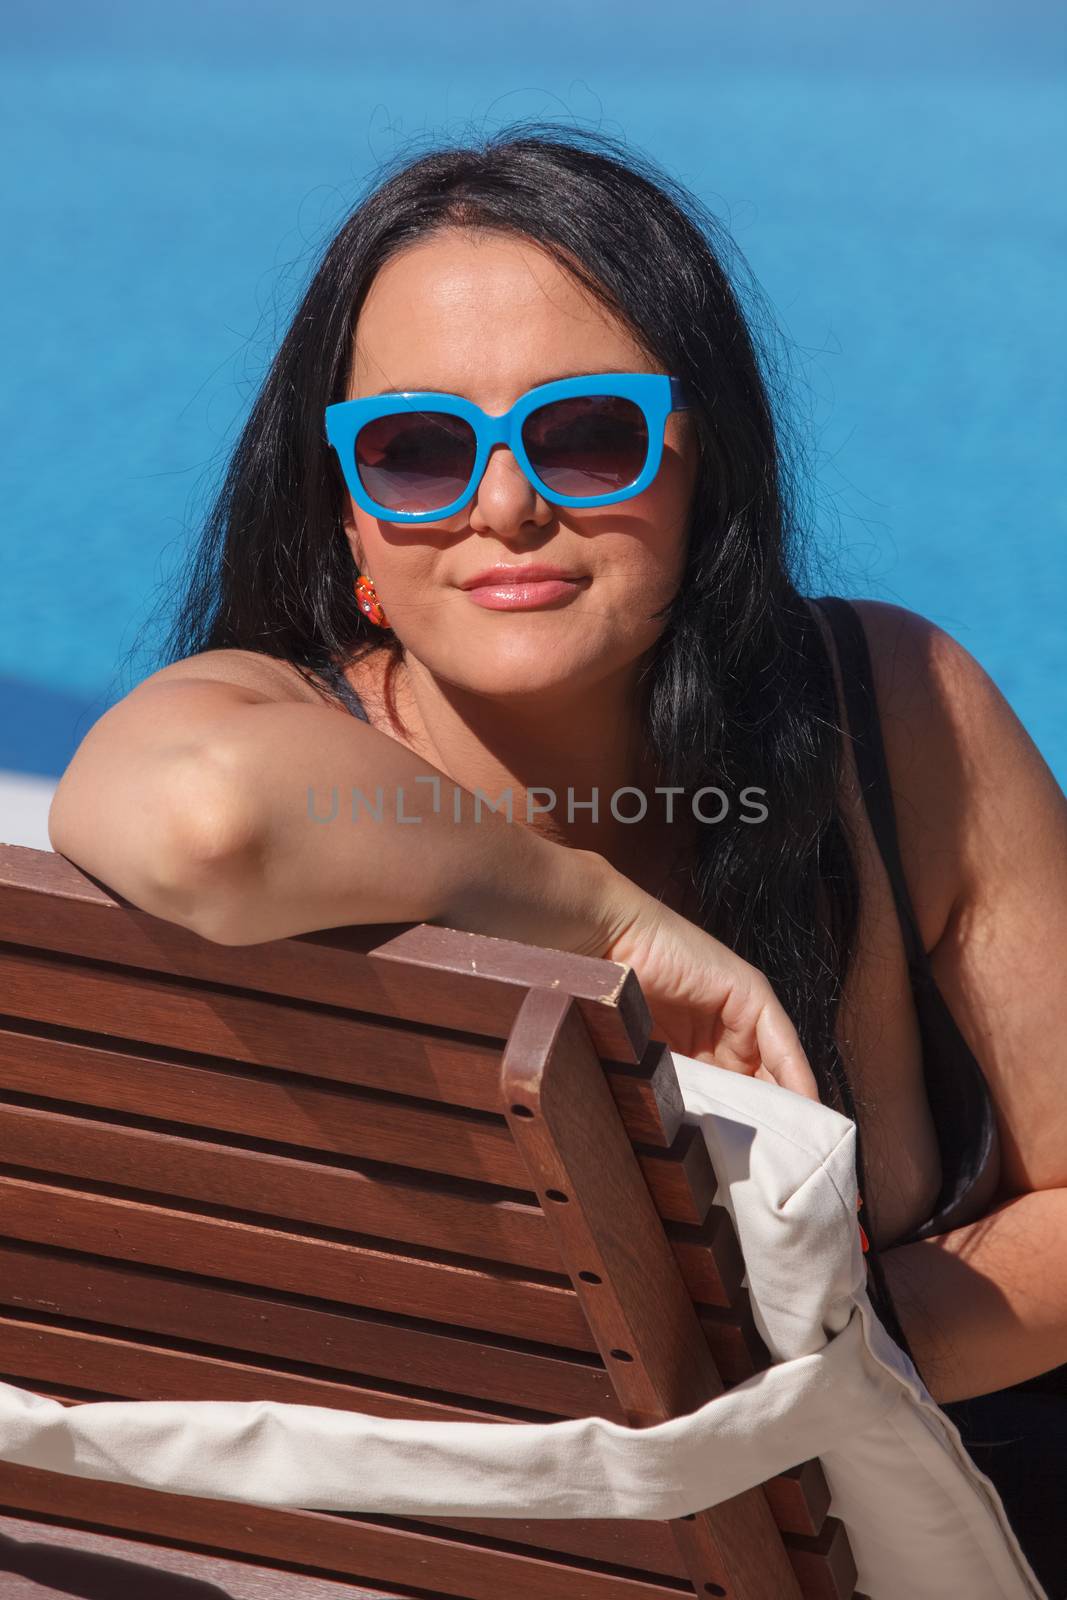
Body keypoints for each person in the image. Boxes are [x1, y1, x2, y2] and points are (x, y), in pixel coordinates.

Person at [47, 125, 1067, 1592]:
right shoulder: (273, 729)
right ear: (347, 508)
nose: (508, 504)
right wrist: (607, 916)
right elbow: (205, 818)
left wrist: (800, 1381)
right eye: (416, 450)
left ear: (697, 452)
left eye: (587, 432)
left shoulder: (890, 716)